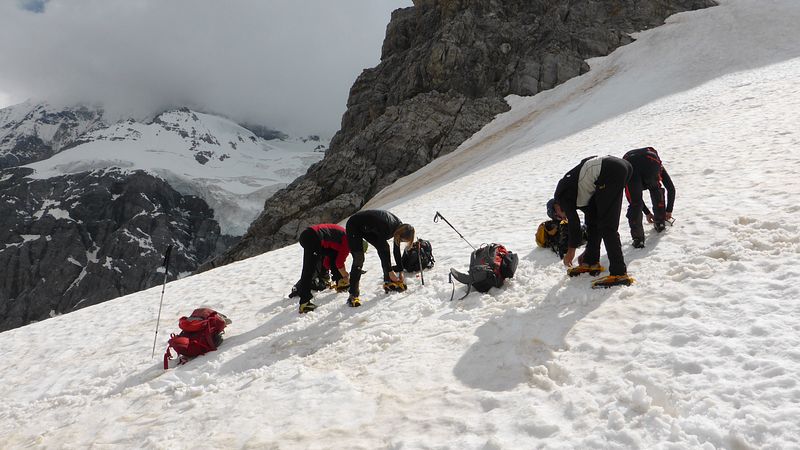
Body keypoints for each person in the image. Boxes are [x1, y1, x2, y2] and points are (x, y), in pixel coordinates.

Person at [552, 155, 634, 287]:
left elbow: (574, 222)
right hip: (621, 167)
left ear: (556, 207)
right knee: (595, 223)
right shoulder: (580, 195)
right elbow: (592, 223)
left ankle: (619, 273)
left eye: (559, 216)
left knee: (607, 226)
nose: (563, 218)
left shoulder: (561, 195)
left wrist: (571, 251)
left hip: (609, 170)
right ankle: (591, 262)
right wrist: (588, 254)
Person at [345, 209, 415, 307]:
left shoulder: (401, 228)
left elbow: (396, 251)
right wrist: (390, 271)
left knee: (385, 248)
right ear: (400, 234)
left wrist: (401, 271)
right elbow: (381, 247)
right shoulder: (387, 227)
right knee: (359, 258)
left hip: (367, 226)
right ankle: (353, 295)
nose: (401, 241)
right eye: (402, 240)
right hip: (354, 225)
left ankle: (388, 281)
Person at [622, 147, 676, 248]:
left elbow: (635, 199)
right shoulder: (658, 165)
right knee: (656, 190)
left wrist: (647, 213)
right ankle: (660, 222)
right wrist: (668, 211)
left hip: (630, 166)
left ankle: (638, 239)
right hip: (650, 162)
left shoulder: (627, 166)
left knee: (635, 202)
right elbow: (671, 188)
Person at [291, 224, 350, 313]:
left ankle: (339, 281)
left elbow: (328, 261)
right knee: (309, 269)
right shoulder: (348, 242)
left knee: (333, 254)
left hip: (310, 235)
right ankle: (304, 302)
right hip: (312, 237)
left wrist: (332, 271)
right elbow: (339, 263)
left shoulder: (344, 237)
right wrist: (346, 276)